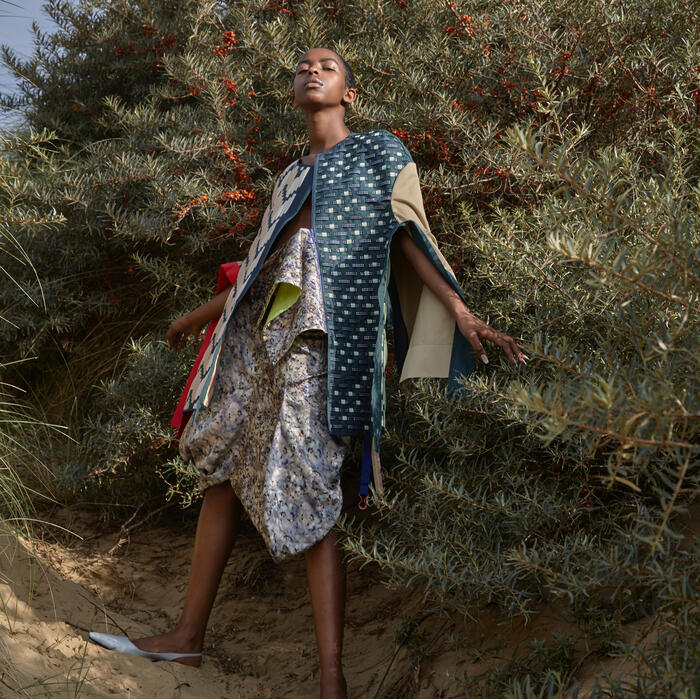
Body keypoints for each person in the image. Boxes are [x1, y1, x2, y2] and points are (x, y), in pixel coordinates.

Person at [89, 47, 526, 698]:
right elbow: (264, 265)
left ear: (349, 92)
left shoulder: (380, 151)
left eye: (326, 65)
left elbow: (409, 238)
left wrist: (459, 310)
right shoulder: (291, 175)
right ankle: (186, 639)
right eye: (301, 65)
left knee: (316, 487)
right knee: (225, 466)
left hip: (330, 339)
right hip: (262, 335)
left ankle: (331, 679)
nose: (311, 70)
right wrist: (197, 315)